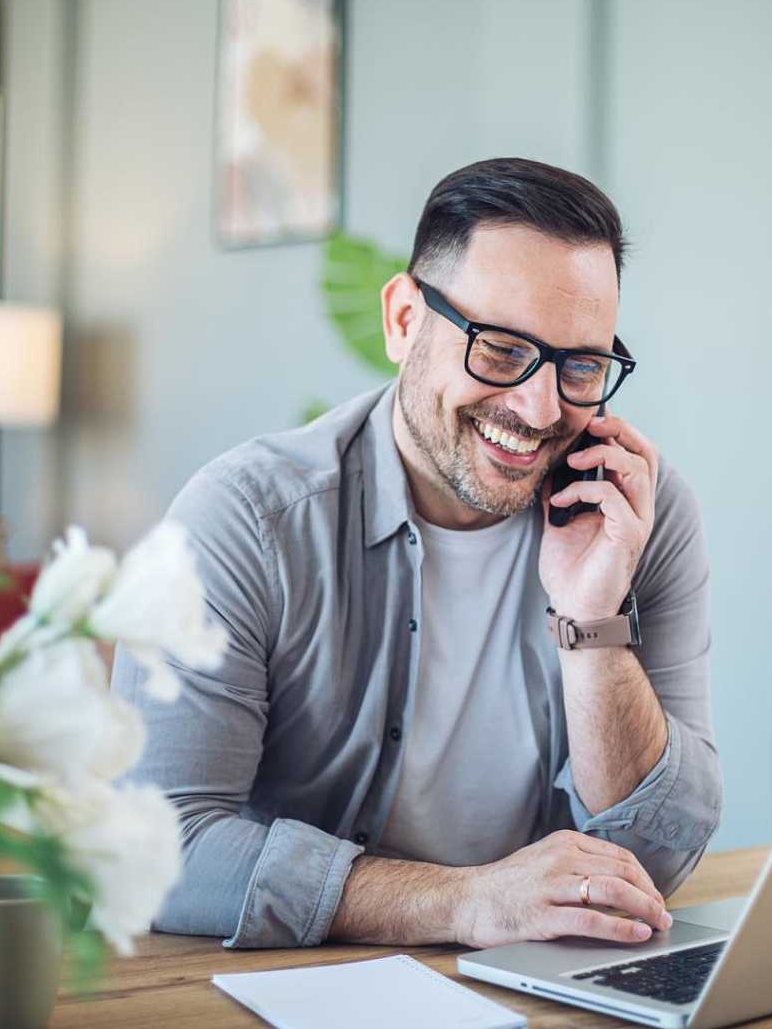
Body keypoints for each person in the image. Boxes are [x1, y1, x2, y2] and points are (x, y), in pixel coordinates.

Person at [113, 157, 720, 950]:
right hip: (291, 990)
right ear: (404, 321)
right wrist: (465, 902)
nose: (539, 409)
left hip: (534, 985)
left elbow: (656, 860)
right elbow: (155, 850)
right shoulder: (245, 522)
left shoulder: (636, 512)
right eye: (501, 349)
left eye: (580, 367)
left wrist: (590, 626)